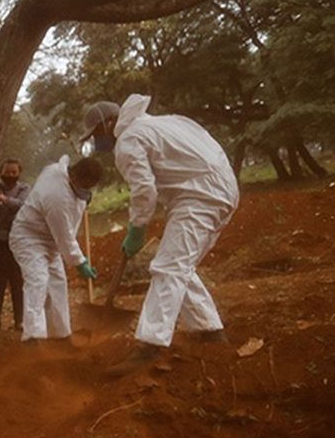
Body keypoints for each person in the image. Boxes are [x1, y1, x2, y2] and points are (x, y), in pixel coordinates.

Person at [83, 96, 240, 372]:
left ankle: (150, 347)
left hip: (198, 197)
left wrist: (136, 230)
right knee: (180, 266)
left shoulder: (129, 140)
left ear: (110, 123)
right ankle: (210, 332)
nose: (98, 142)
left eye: (97, 134)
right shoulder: (167, 122)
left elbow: (145, 191)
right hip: (223, 192)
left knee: (168, 268)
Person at [8, 157, 104, 344]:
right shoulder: (56, 197)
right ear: (74, 176)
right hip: (28, 237)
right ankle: (33, 337)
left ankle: (60, 335)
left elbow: (65, 230)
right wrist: (80, 262)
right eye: (85, 185)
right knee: (38, 280)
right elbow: (65, 238)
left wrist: (83, 198)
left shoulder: (54, 170)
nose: (86, 190)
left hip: (49, 240)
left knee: (58, 284)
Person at [0, 159, 31, 330]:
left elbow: (22, 206)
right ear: (0, 172)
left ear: (19, 173)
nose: (10, 175)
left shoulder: (25, 189)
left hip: (19, 242)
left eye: (13, 172)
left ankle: (20, 320)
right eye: (7, 172)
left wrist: (1, 200)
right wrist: (6, 202)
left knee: (17, 282)